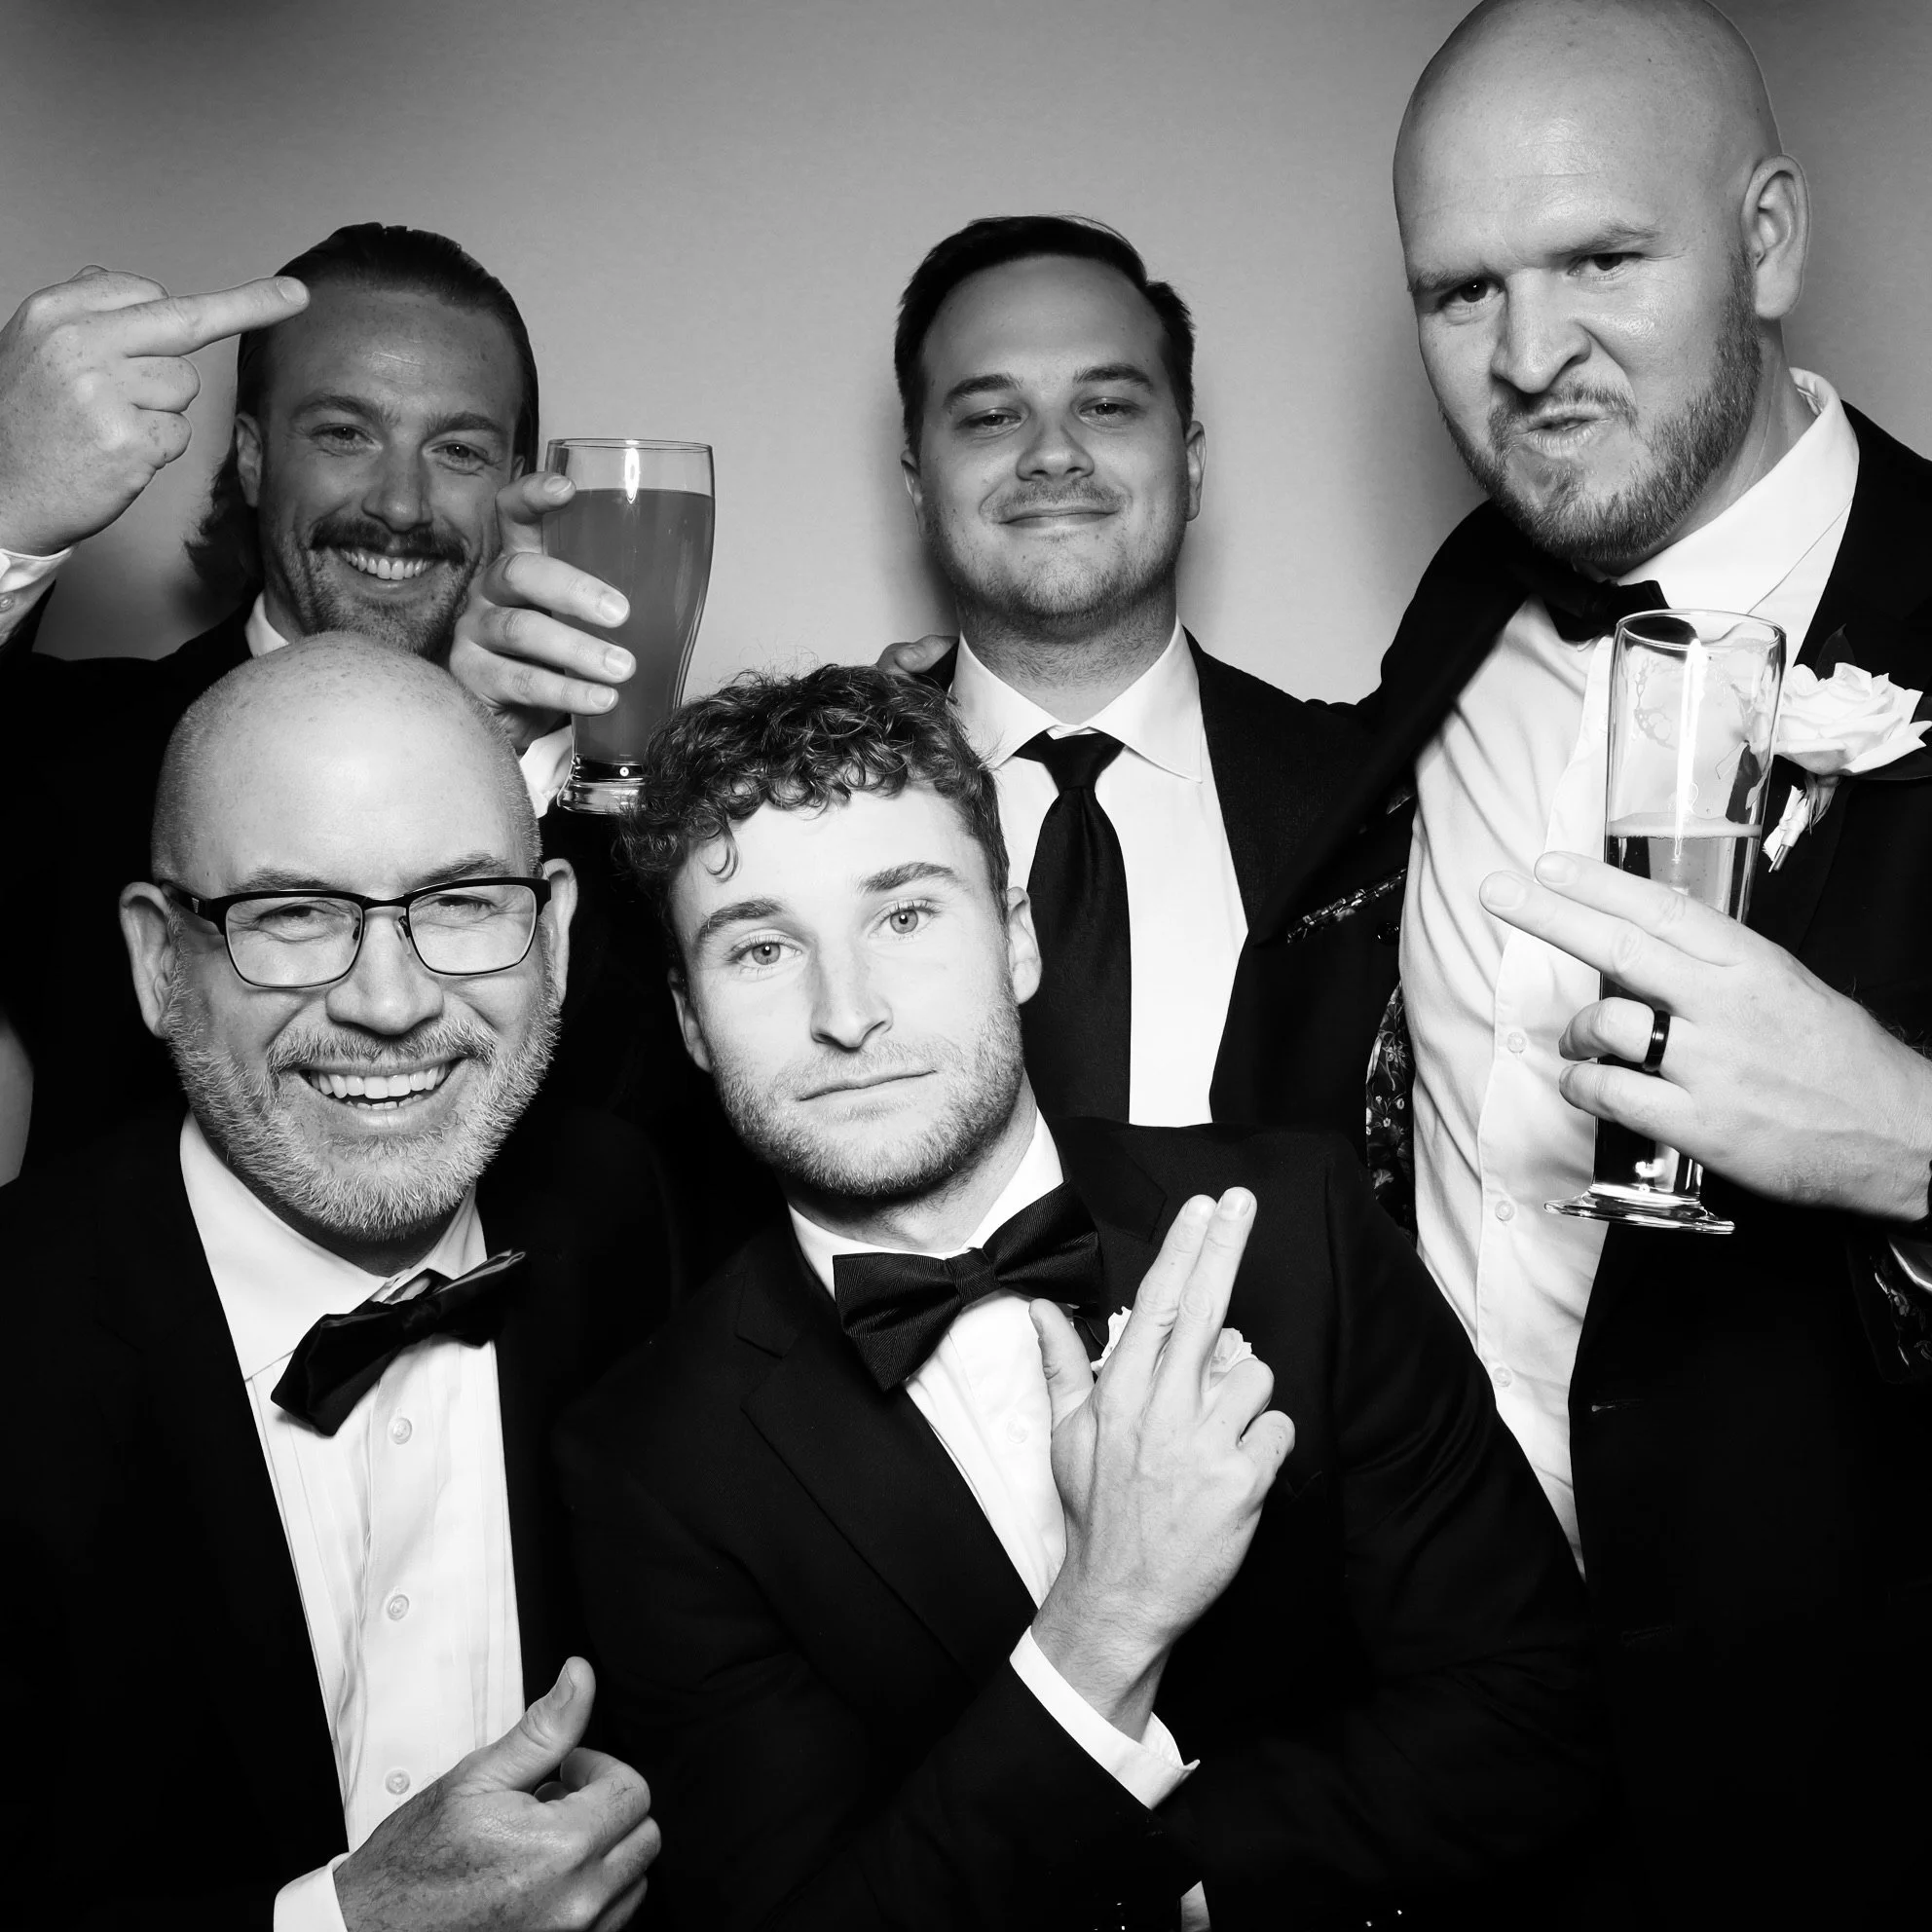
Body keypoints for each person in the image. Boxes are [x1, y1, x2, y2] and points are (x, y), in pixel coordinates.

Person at [1214, 0, 1932, 1914]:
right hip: (1446, 1754)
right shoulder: (1469, 589)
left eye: (1600, 258)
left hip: (1849, 1778)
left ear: (1766, 240)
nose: (1524, 359)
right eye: (1458, 293)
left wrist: (1906, 1138)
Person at [557, 664, 1604, 1931]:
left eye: (903, 917)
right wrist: (1107, 1619)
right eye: (765, 948)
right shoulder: (647, 1461)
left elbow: (1536, 1707)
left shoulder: (1296, 1229)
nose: (847, 1014)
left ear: (1018, 933)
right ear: (687, 1018)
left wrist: (1156, 1882)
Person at [0, 637, 669, 1929]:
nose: (390, 1000)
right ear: (156, 960)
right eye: (292, 915)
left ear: (559, 938)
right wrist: (347, 1924)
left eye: (466, 901)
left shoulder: (623, 1220)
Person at [449, 215, 1367, 1135]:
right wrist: (497, 743)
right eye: (991, 415)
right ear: (919, 484)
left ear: (1192, 462)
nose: (1053, 452)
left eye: (1108, 405)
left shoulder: (1370, 790)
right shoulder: (761, 798)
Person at [0, 228, 760, 1255]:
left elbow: (671, 1160)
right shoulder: (68, 750)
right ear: (254, 455)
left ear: (520, 486)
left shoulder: (631, 821)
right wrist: (6, 508)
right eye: (345, 433)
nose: (400, 504)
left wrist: (496, 765)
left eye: (457, 450)